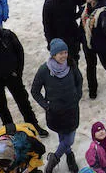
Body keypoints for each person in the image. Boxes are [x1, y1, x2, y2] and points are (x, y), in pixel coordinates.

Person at [0, 14, 48, 136]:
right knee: (1, 106)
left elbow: (19, 52)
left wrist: (18, 72)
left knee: (23, 102)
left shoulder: (7, 35)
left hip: (12, 75)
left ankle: (33, 125)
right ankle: (9, 129)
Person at [31, 39, 84, 173]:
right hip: (56, 112)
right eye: (60, 53)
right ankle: (69, 155)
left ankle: (54, 158)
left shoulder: (71, 64)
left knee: (69, 139)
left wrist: (77, 95)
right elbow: (35, 91)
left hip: (72, 109)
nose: (64, 56)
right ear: (53, 55)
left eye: (65, 52)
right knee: (63, 137)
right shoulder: (44, 70)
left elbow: (79, 80)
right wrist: (46, 105)